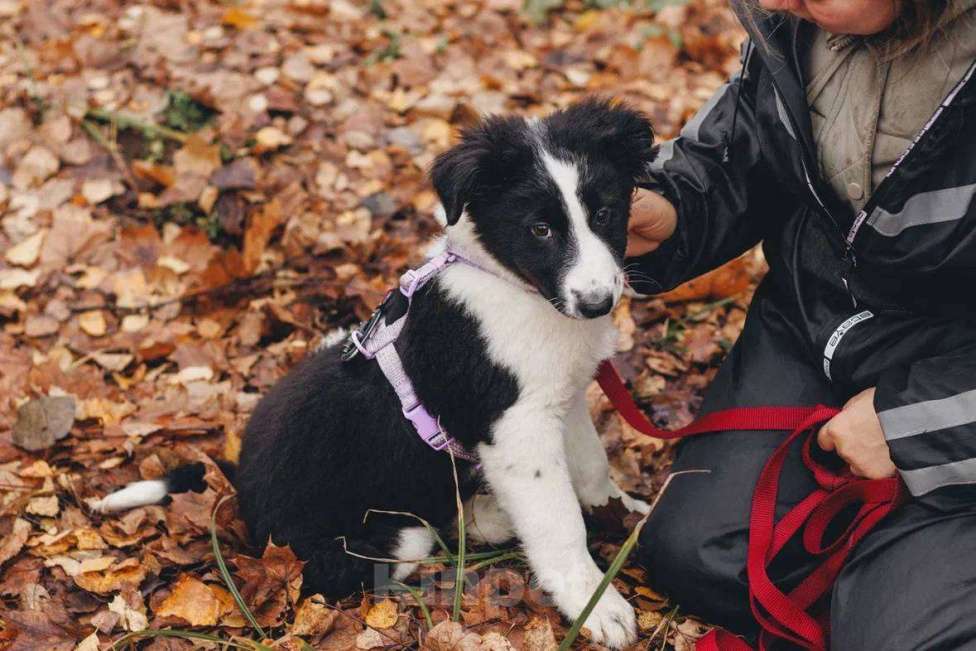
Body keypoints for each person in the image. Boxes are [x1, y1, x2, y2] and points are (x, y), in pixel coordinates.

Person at [628, 0, 976, 647]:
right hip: (816, 316)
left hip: (954, 368)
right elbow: (749, 143)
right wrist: (668, 210)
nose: (772, 1)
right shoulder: (796, 23)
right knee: (702, 552)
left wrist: (914, 425)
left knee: (903, 631)